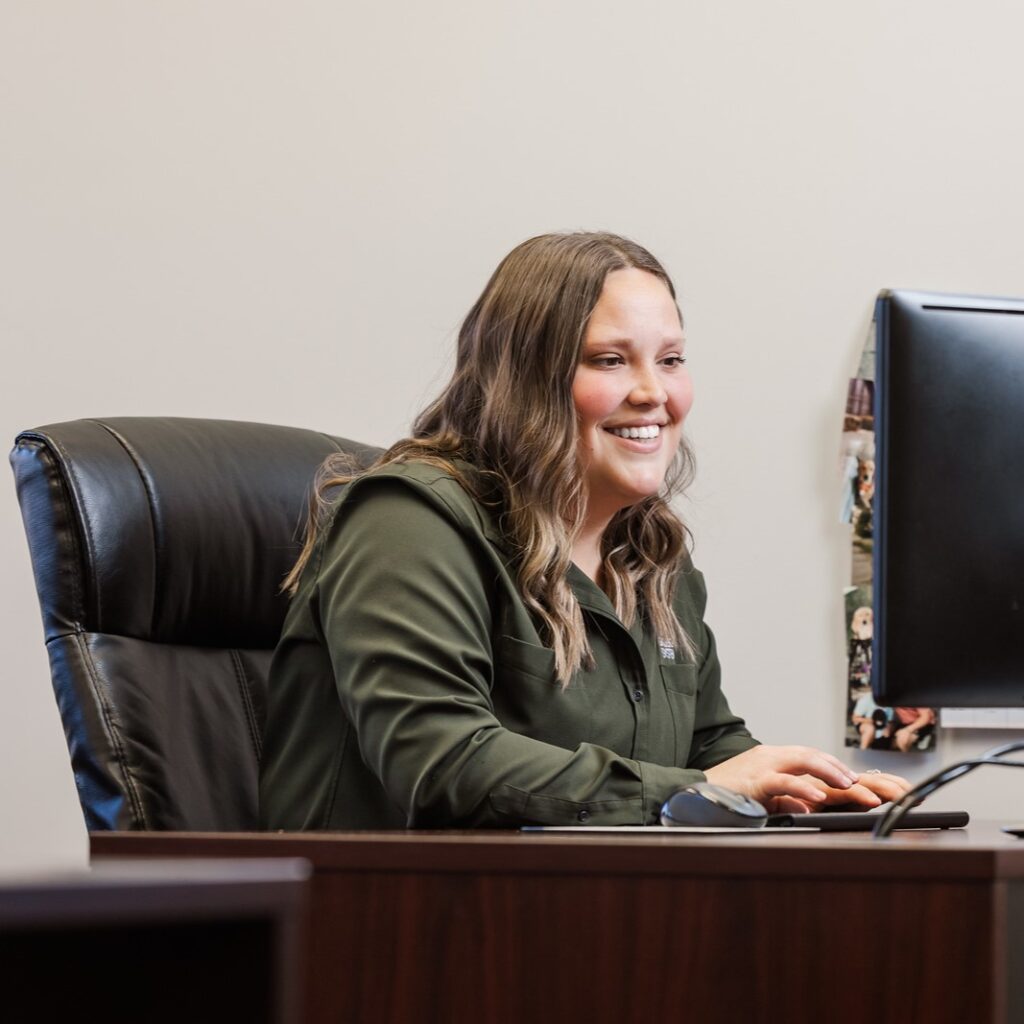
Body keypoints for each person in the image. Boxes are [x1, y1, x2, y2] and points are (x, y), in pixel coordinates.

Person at [259, 231, 908, 829]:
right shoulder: (409, 523)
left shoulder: (651, 558)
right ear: (523, 378)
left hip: (578, 914)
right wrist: (702, 790)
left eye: (672, 359)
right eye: (610, 360)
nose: (655, 393)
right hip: (391, 925)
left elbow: (709, 745)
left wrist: (811, 787)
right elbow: (441, 759)